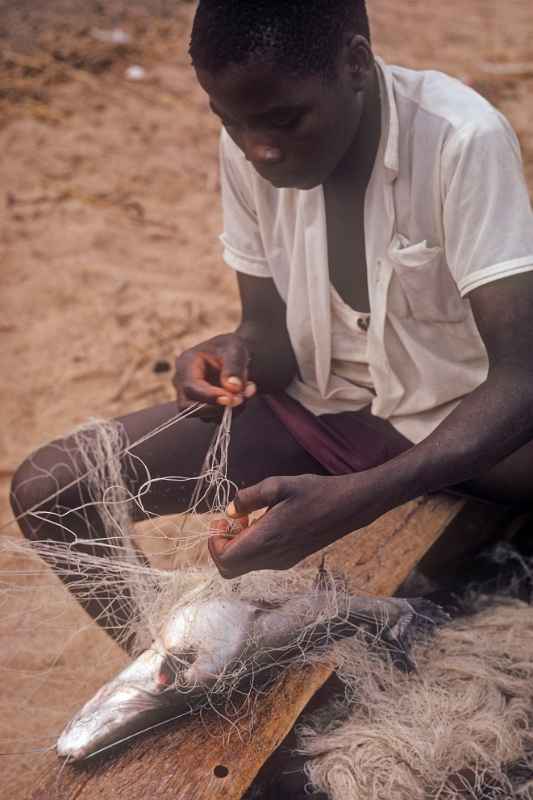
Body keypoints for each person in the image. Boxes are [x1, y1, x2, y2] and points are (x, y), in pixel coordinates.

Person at [10, 0, 533, 634]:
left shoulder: (459, 138)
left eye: (285, 121)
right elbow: (269, 333)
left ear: (356, 64)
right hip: (327, 409)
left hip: (465, 433)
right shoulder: (252, 136)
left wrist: (356, 501)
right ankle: (180, 671)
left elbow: (521, 382)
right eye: (230, 122)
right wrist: (231, 352)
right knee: (53, 489)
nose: (260, 150)